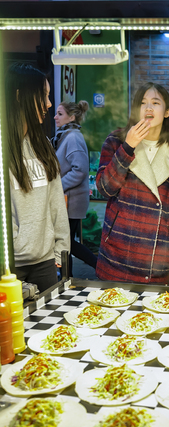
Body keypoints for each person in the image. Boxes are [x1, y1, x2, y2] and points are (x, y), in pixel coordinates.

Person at [96, 82, 169, 284]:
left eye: (155, 102)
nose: (149, 108)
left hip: (157, 261)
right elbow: (104, 189)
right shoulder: (116, 140)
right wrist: (128, 146)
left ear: (167, 111)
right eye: (143, 103)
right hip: (116, 256)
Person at [5, 63, 70, 292]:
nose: (49, 104)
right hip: (10, 266)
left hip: (46, 263)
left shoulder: (42, 144)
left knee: (51, 326)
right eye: (43, 95)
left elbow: (55, 201)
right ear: (19, 96)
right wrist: (20, 247)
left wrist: (60, 252)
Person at [51, 100, 97, 277]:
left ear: (72, 117)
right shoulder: (65, 135)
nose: (55, 117)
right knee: (66, 242)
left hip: (71, 202)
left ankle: (98, 266)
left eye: (60, 114)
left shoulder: (73, 137)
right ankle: (65, 277)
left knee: (67, 242)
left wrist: (58, 186)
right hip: (68, 200)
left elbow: (80, 170)